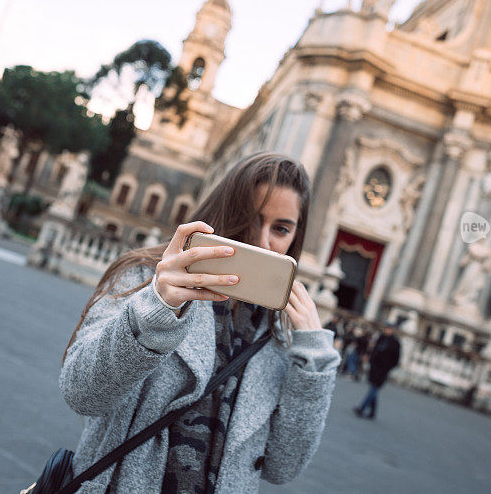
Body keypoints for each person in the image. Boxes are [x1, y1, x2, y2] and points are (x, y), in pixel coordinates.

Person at [59, 153, 341, 493]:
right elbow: (81, 394)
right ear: (224, 212)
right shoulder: (148, 278)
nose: (262, 241)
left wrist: (313, 358)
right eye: (250, 219)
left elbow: (282, 467)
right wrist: (157, 309)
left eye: (281, 229)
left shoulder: (281, 335)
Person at [353, 322, 400, 420]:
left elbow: (396, 359)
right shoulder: (381, 338)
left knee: (374, 388)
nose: (387, 330)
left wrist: (388, 367)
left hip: (383, 370)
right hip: (375, 367)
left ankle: (362, 408)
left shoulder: (395, 343)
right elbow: (374, 350)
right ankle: (373, 412)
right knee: (373, 388)